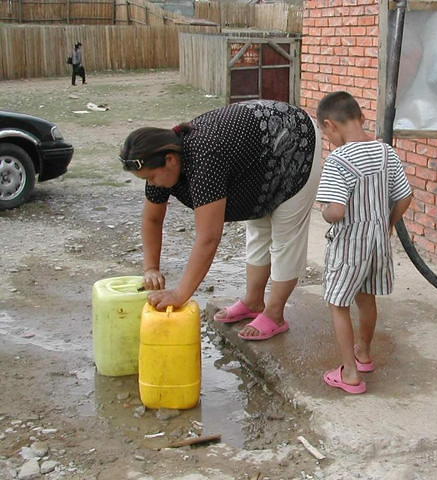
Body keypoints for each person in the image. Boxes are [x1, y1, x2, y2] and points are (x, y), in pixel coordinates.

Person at [119, 100, 321, 341]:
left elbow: (208, 237)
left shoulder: (203, 158)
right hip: (259, 152)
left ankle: (275, 314)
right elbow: (153, 219)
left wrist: (180, 293)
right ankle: (253, 302)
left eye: (151, 177)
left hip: (295, 138)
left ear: (170, 159)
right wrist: (151, 267)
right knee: (258, 228)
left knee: (285, 236)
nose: (151, 184)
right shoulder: (162, 162)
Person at [315, 92, 412, 394]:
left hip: (349, 246)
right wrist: (388, 224)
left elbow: (336, 212)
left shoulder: (338, 161)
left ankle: (351, 374)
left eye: (325, 133)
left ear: (330, 126)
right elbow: (405, 196)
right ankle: (365, 353)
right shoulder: (385, 152)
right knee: (367, 298)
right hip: (378, 243)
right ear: (362, 117)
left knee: (338, 303)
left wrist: (323, 208)